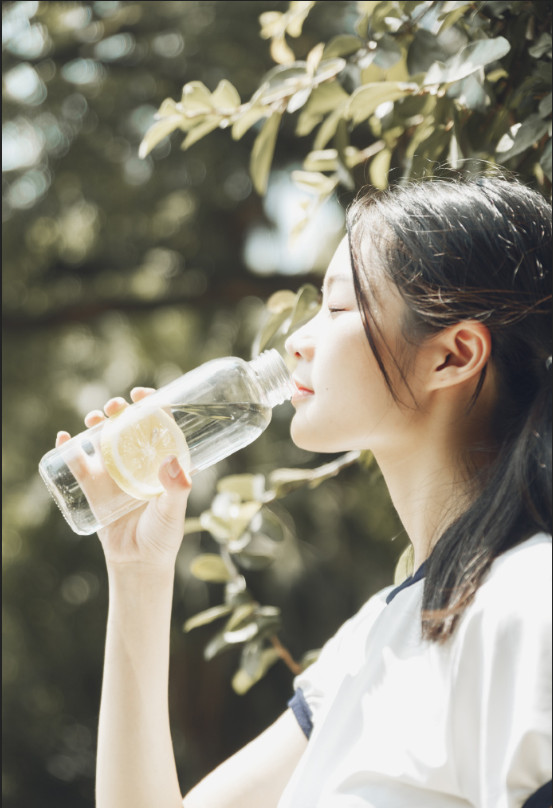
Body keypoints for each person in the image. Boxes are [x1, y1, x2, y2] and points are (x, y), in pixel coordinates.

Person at [55, 174, 552, 808]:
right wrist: (136, 568)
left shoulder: (529, 605)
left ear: (453, 356)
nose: (296, 339)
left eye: (340, 308)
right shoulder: (373, 639)